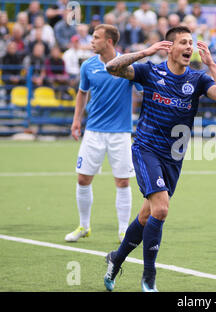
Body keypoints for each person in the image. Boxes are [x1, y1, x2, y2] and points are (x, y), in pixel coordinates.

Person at [102, 26, 216, 292]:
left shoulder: (197, 78)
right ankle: (149, 277)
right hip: (146, 148)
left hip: (174, 158)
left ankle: (116, 259)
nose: (189, 47)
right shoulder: (150, 71)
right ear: (170, 47)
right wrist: (145, 51)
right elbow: (111, 68)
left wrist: (212, 64)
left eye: (191, 43)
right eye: (183, 42)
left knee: (146, 215)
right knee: (161, 208)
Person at [65, 24, 143, 244]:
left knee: (122, 183)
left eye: (96, 37)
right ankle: (84, 226)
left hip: (120, 134)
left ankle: (122, 230)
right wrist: (76, 121)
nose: (91, 41)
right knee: (83, 179)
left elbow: (143, 91)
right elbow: (82, 93)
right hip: (93, 133)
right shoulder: (88, 66)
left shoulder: (126, 65)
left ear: (109, 41)